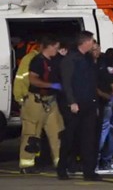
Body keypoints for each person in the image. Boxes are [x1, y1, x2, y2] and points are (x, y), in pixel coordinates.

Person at [57, 31, 102, 181]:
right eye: (92, 41)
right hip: (75, 104)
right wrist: (71, 101)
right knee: (69, 138)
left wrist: (94, 103)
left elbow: (91, 83)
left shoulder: (88, 59)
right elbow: (67, 83)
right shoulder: (70, 59)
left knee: (88, 139)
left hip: (89, 103)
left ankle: (89, 171)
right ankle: (62, 168)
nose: (94, 44)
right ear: (86, 42)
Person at [19, 34, 64, 174]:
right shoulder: (37, 61)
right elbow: (33, 80)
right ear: (48, 47)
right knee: (32, 133)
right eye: (55, 48)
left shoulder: (54, 60)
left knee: (57, 132)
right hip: (36, 101)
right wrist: (52, 85)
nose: (57, 50)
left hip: (51, 101)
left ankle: (60, 162)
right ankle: (26, 164)